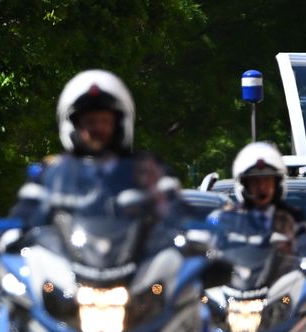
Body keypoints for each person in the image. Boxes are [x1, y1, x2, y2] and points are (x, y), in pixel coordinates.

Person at [10, 70, 180, 239]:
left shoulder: (147, 168)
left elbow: (177, 210)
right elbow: (24, 214)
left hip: (137, 259)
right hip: (65, 261)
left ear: (120, 125)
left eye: (105, 121)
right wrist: (9, 239)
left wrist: (195, 234)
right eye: (90, 122)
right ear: (73, 126)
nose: (98, 128)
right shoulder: (50, 170)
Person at [210, 142, 306, 257]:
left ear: (277, 184)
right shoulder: (229, 216)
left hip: (282, 273)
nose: (261, 187)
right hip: (238, 273)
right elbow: (210, 233)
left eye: (267, 181)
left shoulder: (293, 216)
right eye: (255, 182)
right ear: (244, 185)